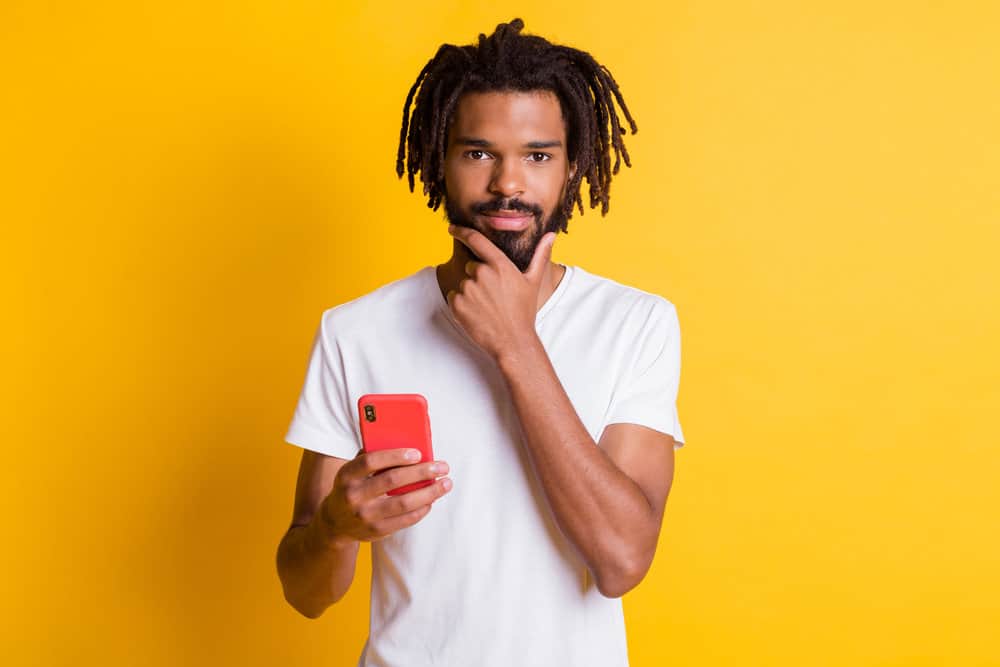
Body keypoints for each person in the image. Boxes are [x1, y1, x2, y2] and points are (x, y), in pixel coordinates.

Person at [276, 18, 685, 667]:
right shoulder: (355, 331)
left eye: (537, 155)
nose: (508, 184)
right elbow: (305, 591)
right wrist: (334, 527)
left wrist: (515, 344)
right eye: (478, 153)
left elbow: (622, 560)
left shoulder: (635, 324)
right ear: (441, 160)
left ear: (573, 167)